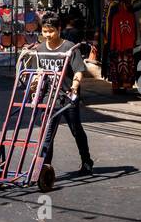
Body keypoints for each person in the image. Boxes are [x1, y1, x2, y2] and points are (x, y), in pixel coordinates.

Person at [26, 14, 94, 176]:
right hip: (49, 97)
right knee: (47, 133)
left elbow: (78, 70)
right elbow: (38, 73)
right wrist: (34, 87)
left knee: (76, 129)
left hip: (68, 97)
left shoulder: (70, 48)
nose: (48, 35)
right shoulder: (40, 49)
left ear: (59, 29)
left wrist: (75, 86)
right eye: (45, 31)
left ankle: (86, 161)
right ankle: (45, 166)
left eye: (51, 31)